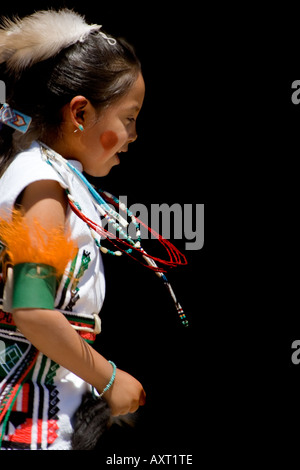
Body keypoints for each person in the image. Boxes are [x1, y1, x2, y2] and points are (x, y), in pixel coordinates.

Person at [0, 9, 147, 450]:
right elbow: (31, 309)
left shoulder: (56, 179)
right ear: (80, 112)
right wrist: (109, 378)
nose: (134, 135)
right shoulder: (44, 184)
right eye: (130, 118)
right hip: (23, 428)